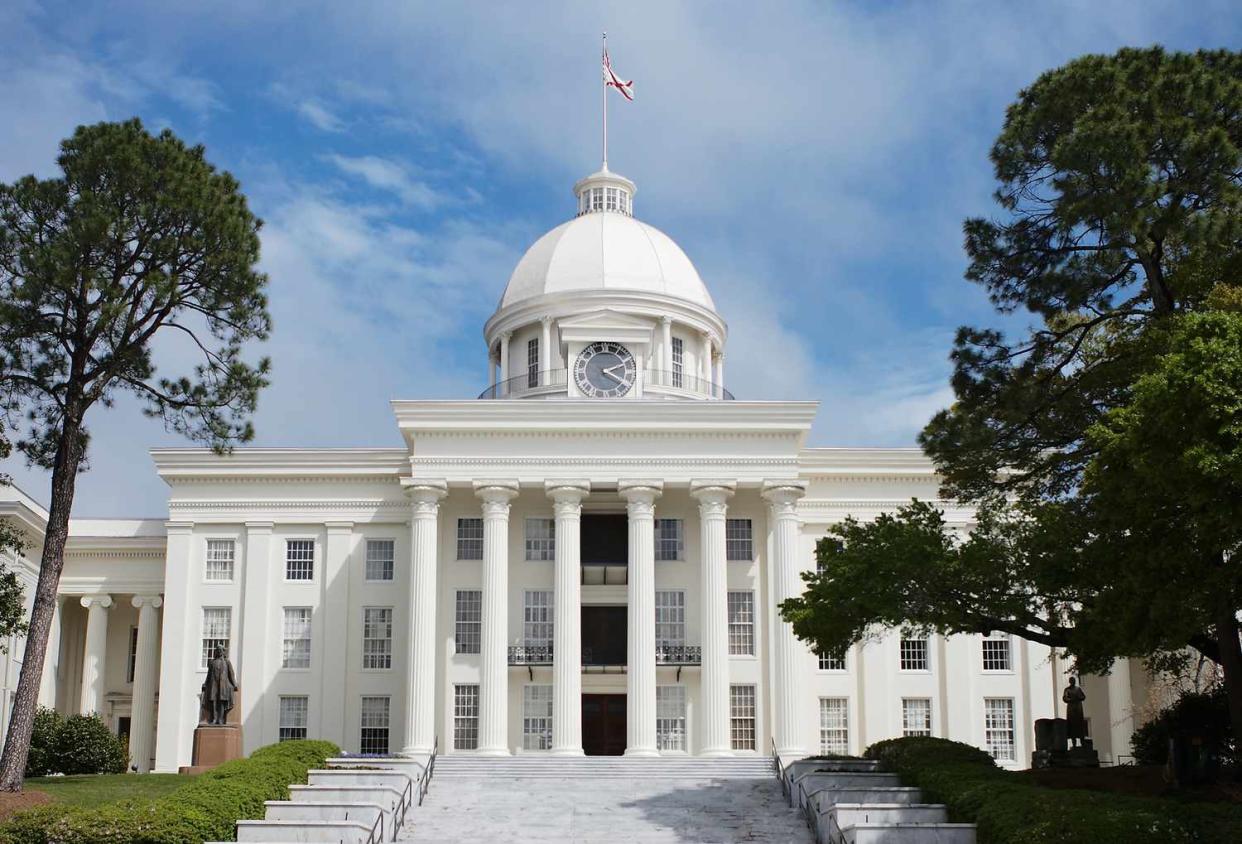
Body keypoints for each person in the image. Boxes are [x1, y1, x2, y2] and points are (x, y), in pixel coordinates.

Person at [201, 647, 238, 726]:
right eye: (218, 650)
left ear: (223, 652)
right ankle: (214, 719)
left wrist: (234, 684)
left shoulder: (227, 662)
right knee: (213, 701)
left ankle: (220, 719)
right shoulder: (212, 662)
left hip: (223, 685)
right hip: (213, 684)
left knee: (221, 701)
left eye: (221, 650)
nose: (219, 652)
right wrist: (205, 683)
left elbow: (231, 674)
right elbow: (209, 675)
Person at [1063, 676, 1087, 747]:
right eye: (1072, 680)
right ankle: (1074, 744)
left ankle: (1083, 743)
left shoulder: (1078, 689)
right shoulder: (1067, 689)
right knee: (1072, 726)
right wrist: (1071, 699)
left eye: (1074, 680)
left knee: (1080, 726)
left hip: (1078, 709)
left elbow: (1083, 697)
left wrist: (1079, 698)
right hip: (1071, 710)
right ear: (1070, 682)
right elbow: (1065, 698)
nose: (1073, 682)